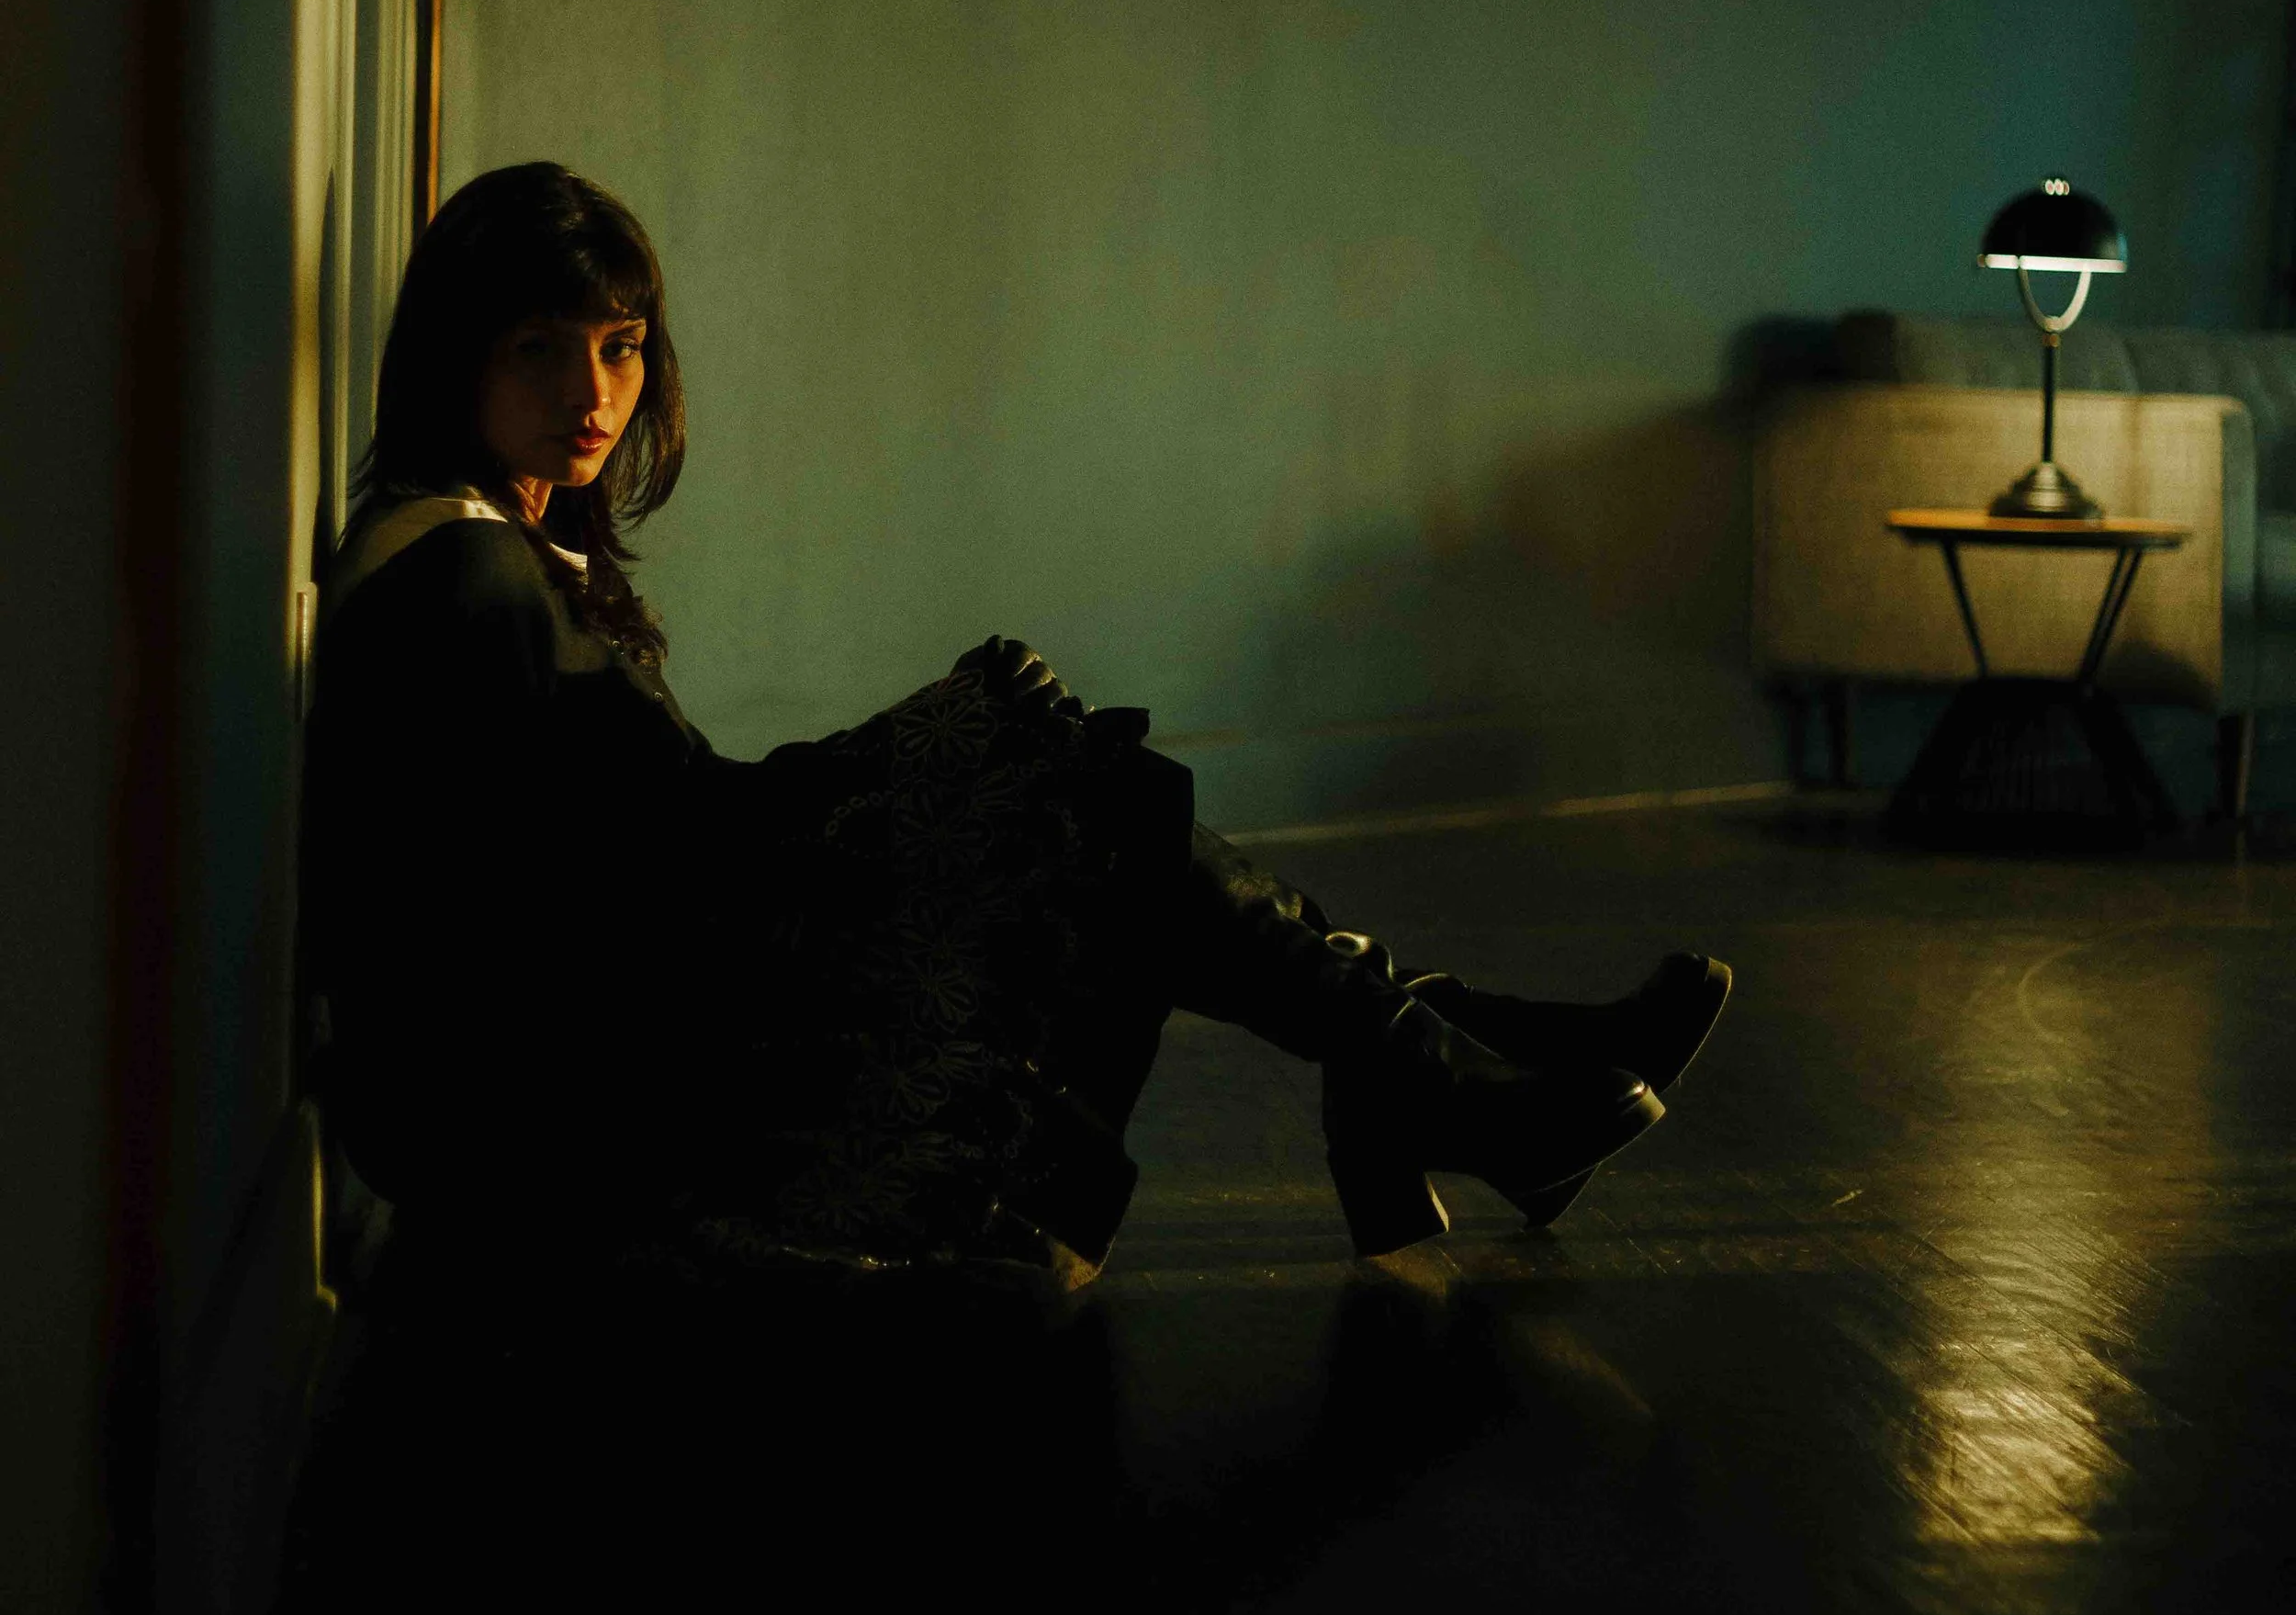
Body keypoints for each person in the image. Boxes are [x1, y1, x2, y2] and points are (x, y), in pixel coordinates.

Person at [302, 162, 1730, 1293]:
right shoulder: (465, 570)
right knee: (1090, 804)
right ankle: (1435, 1069)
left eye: (620, 347)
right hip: (574, 1113)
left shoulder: (484, 542)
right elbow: (683, 843)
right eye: (541, 348)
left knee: (1091, 808)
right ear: (454, 357)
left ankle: (1437, 1065)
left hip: (604, 1041)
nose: (594, 392)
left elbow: (661, 833)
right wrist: (939, 747)